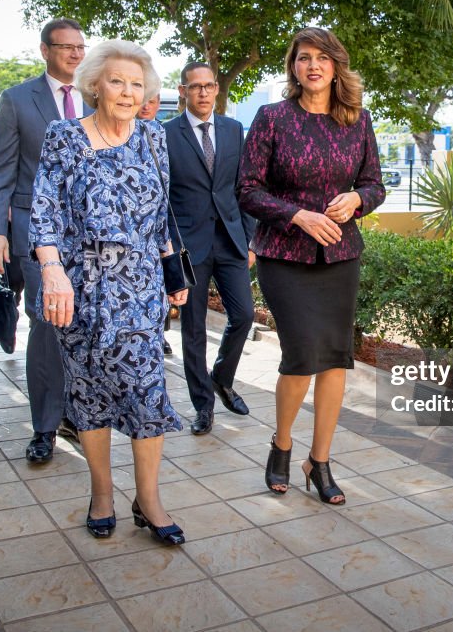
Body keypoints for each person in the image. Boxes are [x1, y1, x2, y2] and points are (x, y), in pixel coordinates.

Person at [30, 39, 187, 545]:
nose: (126, 91)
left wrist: (172, 274)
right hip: (79, 286)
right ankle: (101, 493)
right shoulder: (63, 136)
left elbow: (162, 212)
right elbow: (45, 208)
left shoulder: (153, 137)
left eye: (136, 84)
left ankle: (150, 498)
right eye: (117, 81)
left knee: (146, 389)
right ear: (95, 84)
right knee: (88, 390)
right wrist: (52, 271)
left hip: (139, 286)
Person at [237, 27, 385, 504]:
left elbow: (375, 184)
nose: (313, 65)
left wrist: (357, 200)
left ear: (336, 66)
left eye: (322, 58)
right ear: (294, 67)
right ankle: (281, 444)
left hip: (340, 256)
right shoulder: (272, 118)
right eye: (304, 58)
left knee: (337, 358)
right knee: (301, 356)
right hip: (285, 256)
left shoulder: (358, 121)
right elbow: (248, 189)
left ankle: (318, 461)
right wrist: (297, 215)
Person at [0, 18, 91, 464]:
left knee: (84, 325)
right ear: (44, 50)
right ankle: (45, 426)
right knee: (47, 324)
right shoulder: (16, 100)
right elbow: (0, 170)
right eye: (64, 47)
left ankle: (79, 414)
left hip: (91, 230)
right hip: (36, 227)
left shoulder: (99, 94)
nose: (74, 55)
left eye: (80, 47)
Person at [164, 63, 256, 436]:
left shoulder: (234, 130)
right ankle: (203, 406)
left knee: (244, 316)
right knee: (194, 330)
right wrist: (170, 251)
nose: (203, 93)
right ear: (183, 90)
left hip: (231, 241)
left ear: (217, 89)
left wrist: (249, 238)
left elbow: (245, 189)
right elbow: (164, 199)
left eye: (209, 86)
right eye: (195, 87)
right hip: (190, 248)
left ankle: (221, 376)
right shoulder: (166, 134)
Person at [138, 93, 174, 356]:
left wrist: (167, 245)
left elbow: (164, 193)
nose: (145, 105)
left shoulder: (158, 133)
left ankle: (158, 334)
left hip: (154, 237)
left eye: (152, 99)